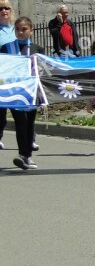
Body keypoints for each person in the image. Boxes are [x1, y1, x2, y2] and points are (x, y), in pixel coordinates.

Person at [0, 17, 45, 170]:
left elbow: (43, 71)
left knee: (30, 123)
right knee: (21, 122)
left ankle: (27, 156)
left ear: (31, 30)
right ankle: (23, 155)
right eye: (18, 29)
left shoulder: (37, 49)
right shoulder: (6, 48)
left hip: (31, 93)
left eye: (24, 29)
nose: (20, 32)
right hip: (13, 92)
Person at [0, 0, 16, 150]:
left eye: (7, 8)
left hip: (17, 74)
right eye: (1, 9)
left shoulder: (16, 30)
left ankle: (29, 139)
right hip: (2, 75)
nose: (4, 11)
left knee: (22, 109)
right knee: (1, 114)